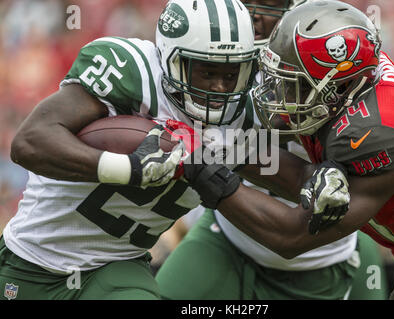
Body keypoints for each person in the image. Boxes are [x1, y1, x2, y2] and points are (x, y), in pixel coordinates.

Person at [177, 0, 394, 299]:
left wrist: (203, 171)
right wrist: (219, 148)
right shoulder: (353, 85)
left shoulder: (374, 134)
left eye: (294, 85)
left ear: (340, 87)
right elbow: (304, 181)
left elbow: (292, 236)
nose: (277, 93)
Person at [0, 0, 264, 300]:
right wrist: (129, 169)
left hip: (116, 267)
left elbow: (291, 216)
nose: (219, 87)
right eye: (206, 71)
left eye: (231, 74)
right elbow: (28, 143)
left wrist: (322, 180)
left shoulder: (243, 119)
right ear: (171, 58)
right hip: (29, 261)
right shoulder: (133, 72)